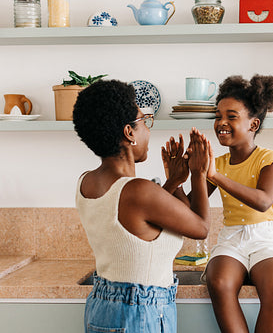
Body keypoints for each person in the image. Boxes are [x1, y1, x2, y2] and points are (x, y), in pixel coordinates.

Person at [73, 79, 210, 333]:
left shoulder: (86, 182)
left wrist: (174, 183)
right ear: (129, 133)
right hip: (140, 313)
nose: (148, 129)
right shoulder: (138, 190)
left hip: (101, 308)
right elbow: (201, 227)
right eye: (144, 121)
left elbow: (138, 224)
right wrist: (199, 173)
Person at [165, 74, 273, 333]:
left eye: (231, 116)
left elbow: (263, 201)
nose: (221, 123)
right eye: (218, 116)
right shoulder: (221, 164)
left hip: (271, 237)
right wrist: (181, 178)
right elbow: (192, 211)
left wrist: (212, 174)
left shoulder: (269, 158)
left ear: (253, 124)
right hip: (232, 238)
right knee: (219, 282)